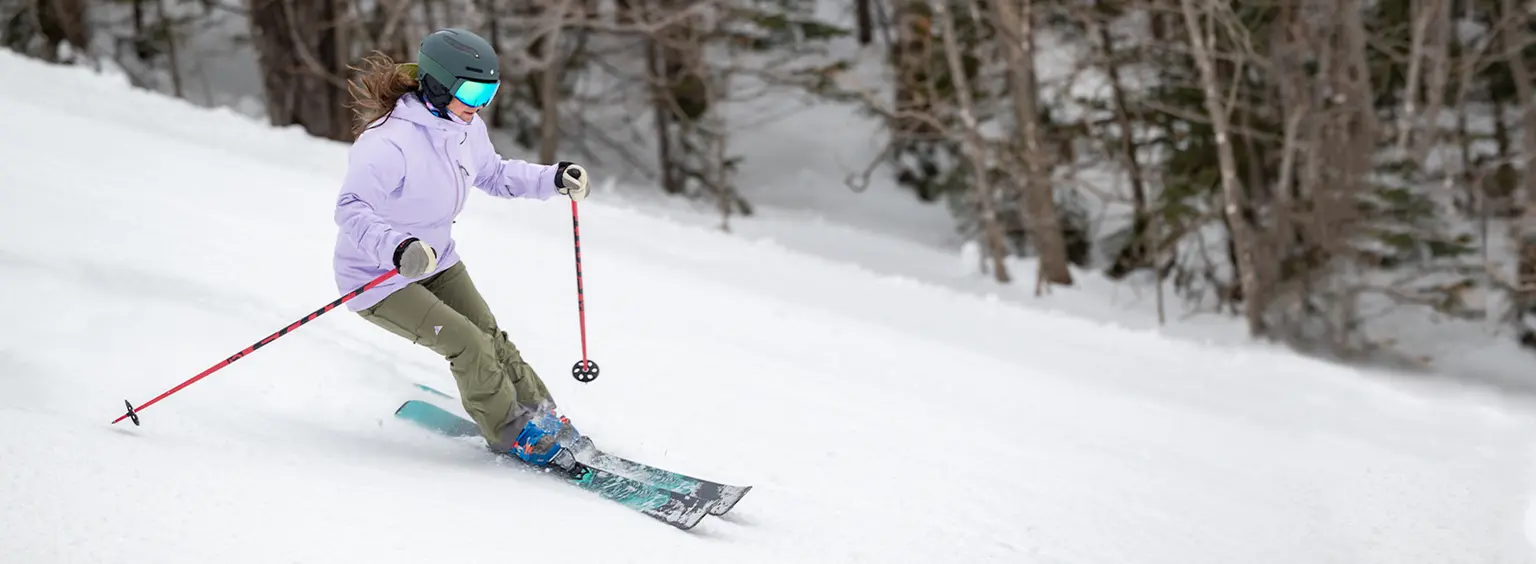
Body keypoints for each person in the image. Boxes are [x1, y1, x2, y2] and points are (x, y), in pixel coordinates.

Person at [333, 28, 585, 466]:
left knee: (490, 335)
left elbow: (494, 174)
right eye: (471, 91)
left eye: (490, 92)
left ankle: (541, 415)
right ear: (437, 84)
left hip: (438, 260)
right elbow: (351, 208)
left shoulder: (466, 129)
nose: (480, 103)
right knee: (468, 343)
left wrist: (552, 178)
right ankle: (511, 433)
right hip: (378, 276)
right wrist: (397, 249)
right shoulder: (387, 141)